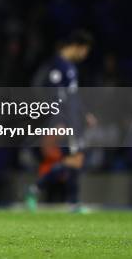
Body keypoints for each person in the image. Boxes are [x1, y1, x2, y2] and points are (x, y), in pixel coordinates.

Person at [26, 29, 94, 212]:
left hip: (72, 119)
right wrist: (59, 119)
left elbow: (71, 96)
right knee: (74, 159)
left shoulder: (69, 67)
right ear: (78, 47)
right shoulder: (58, 65)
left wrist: (84, 114)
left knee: (75, 159)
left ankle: (70, 201)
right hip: (65, 120)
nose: (85, 55)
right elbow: (54, 96)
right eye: (85, 50)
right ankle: (40, 189)